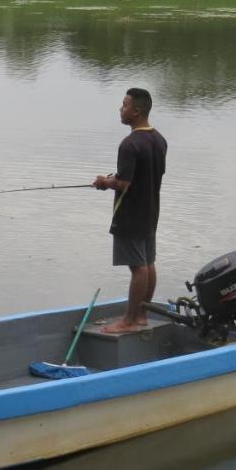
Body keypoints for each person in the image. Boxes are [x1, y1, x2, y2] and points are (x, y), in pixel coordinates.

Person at [93, 88, 167, 333]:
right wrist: (116, 177)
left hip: (131, 215)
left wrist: (105, 182)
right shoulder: (159, 140)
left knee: (138, 267)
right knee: (148, 262)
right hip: (150, 212)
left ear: (136, 111)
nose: (120, 109)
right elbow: (145, 175)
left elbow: (124, 183)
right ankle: (142, 314)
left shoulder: (130, 144)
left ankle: (129, 320)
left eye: (124, 105)